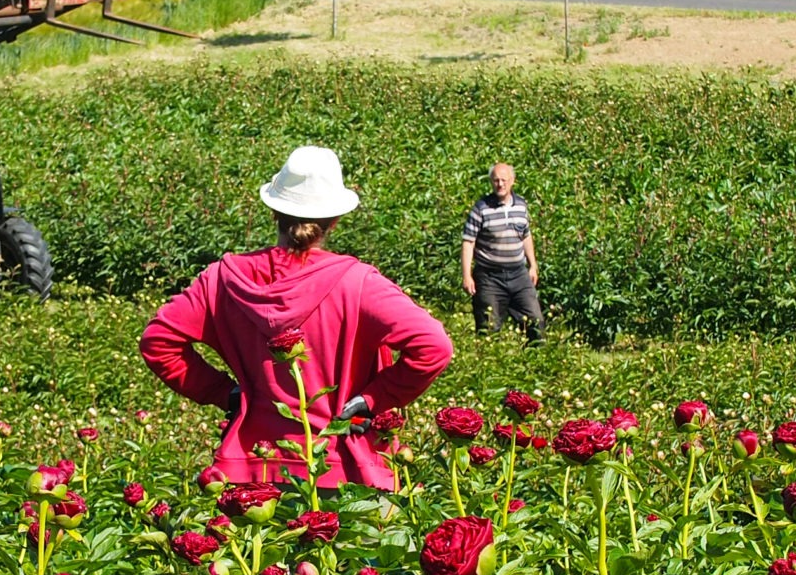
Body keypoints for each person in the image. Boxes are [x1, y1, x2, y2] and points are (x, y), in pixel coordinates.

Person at [140, 145, 453, 491]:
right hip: (344, 469)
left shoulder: (223, 279)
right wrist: (373, 399)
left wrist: (224, 393)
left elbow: (157, 342)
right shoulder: (358, 283)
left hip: (252, 472)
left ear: (274, 211)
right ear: (335, 220)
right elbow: (434, 346)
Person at [460, 161, 543, 338]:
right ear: (491, 182)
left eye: (504, 180)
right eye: (496, 180)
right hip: (489, 276)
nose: (500, 184)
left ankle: (537, 353)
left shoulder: (521, 205)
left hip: (518, 274)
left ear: (512, 181)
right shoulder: (481, 208)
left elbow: (526, 235)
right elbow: (468, 242)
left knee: (535, 322)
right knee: (488, 327)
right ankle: (487, 355)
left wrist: (533, 265)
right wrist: (467, 275)